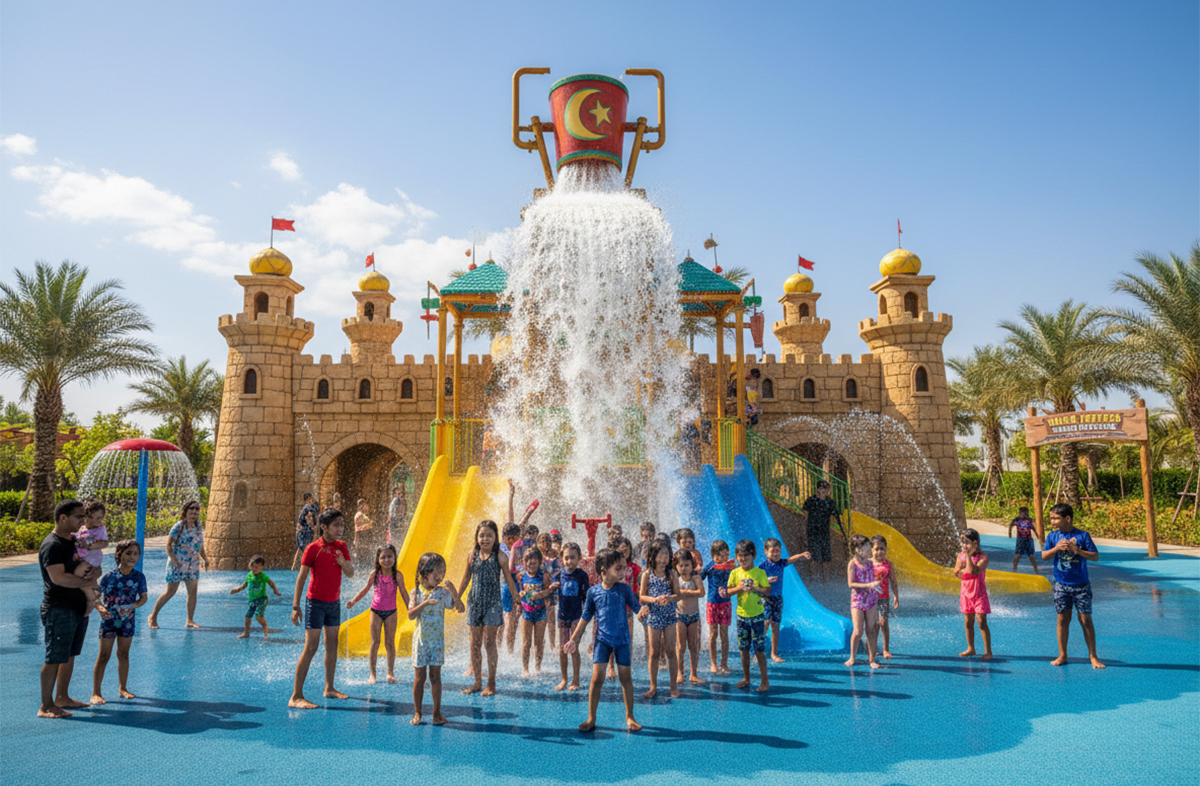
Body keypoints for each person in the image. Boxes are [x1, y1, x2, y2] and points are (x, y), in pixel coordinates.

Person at [563, 547, 649, 733]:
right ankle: (591, 718)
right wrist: (574, 639)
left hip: (622, 641)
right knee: (596, 680)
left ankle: (630, 717)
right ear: (603, 571)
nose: (623, 572)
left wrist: (642, 612)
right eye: (618, 568)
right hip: (602, 640)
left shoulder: (624, 589)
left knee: (626, 678)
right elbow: (585, 618)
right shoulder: (594, 592)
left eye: (624, 568)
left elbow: (636, 608)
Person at [37, 500, 102, 718]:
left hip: (77, 607)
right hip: (59, 608)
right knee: (54, 656)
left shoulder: (75, 541)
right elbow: (59, 578)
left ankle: (62, 697)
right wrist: (86, 585)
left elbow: (92, 564)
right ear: (63, 517)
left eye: (84, 516)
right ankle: (45, 706)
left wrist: (94, 573)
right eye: (78, 517)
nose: (83, 521)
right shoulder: (52, 545)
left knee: (69, 655)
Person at [289, 508, 354, 709]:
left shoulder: (342, 547)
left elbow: (351, 573)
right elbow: (301, 579)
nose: (340, 529)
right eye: (336, 525)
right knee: (311, 647)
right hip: (315, 603)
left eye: (342, 525)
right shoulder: (312, 548)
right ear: (324, 527)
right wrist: (295, 606)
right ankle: (296, 696)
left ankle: (329, 688)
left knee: (332, 645)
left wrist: (343, 563)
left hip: (333, 603)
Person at [457, 520, 521, 696]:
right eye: (482, 535)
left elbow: (509, 579)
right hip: (474, 603)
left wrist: (517, 599)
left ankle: (491, 683)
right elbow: (466, 578)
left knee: (489, 642)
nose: (485, 538)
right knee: (475, 643)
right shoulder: (472, 555)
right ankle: (477, 682)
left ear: (495, 538)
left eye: (489, 535)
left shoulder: (500, 556)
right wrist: (457, 597)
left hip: (493, 603)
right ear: (477, 537)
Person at [1042, 503, 1104, 669]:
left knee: (1085, 619)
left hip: (1081, 585)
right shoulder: (1052, 536)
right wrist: (1056, 548)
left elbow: (1095, 557)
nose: (1052, 521)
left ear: (1067, 518)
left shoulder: (1083, 536)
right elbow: (1044, 556)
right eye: (1051, 518)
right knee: (1062, 618)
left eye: (1056, 518)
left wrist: (1077, 550)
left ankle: (1093, 656)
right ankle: (1062, 655)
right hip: (1061, 584)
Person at [407, 552, 464, 725]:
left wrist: (453, 591)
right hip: (421, 642)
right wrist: (424, 603)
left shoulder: (442, 593)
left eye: (442, 573)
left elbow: (460, 608)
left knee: (435, 677)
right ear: (425, 573)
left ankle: (437, 714)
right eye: (436, 573)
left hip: (437, 643)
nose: (440, 577)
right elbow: (410, 615)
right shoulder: (416, 592)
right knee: (419, 678)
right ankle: (418, 712)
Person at [90, 540, 147, 705]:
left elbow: (143, 598)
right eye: (128, 553)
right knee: (103, 656)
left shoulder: (139, 577)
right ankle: (96, 692)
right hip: (109, 621)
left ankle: (123, 688)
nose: (132, 557)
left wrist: (132, 606)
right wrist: (100, 609)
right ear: (119, 555)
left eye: (136, 554)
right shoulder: (109, 577)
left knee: (123, 654)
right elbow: (96, 597)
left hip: (127, 621)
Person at [347, 543, 409, 684]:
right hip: (375, 611)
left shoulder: (397, 575)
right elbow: (365, 589)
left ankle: (390, 673)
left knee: (390, 643)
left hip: (391, 613)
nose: (387, 560)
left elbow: (404, 593)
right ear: (378, 559)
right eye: (383, 557)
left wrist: (410, 608)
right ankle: (372, 674)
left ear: (394, 557)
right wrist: (354, 600)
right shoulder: (375, 574)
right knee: (375, 643)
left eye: (390, 556)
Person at [147, 500, 207, 629]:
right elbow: (168, 545)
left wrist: (205, 559)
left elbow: (199, 545)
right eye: (192, 509)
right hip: (178, 564)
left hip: (192, 565)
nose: (194, 512)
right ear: (185, 511)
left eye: (197, 509)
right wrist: (174, 560)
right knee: (170, 592)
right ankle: (152, 616)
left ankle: (190, 620)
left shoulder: (198, 526)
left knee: (193, 593)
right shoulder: (178, 526)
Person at [726, 539, 771, 691]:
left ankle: (764, 681)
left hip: (757, 617)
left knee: (759, 650)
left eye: (746, 555)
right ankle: (746, 678)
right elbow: (728, 592)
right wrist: (739, 588)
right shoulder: (735, 573)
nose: (743, 559)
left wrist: (755, 588)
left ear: (754, 555)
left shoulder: (760, 573)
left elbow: (767, 590)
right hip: (741, 617)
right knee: (743, 649)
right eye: (739, 556)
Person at [758, 537, 811, 663]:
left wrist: (802, 555)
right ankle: (757, 651)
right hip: (766, 598)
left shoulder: (781, 563)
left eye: (778, 551)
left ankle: (774, 654)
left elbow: (791, 559)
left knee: (775, 626)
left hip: (778, 599)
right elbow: (756, 582)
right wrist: (766, 581)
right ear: (766, 552)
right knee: (765, 624)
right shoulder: (762, 566)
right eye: (772, 551)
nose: (775, 554)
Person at [639, 540, 680, 699]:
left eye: (666, 555)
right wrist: (654, 600)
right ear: (653, 556)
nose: (664, 559)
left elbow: (678, 594)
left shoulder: (672, 573)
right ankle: (653, 686)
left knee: (671, 650)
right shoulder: (647, 574)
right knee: (654, 652)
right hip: (654, 616)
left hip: (670, 615)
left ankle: (673, 686)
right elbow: (642, 596)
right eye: (660, 555)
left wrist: (669, 598)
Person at [554, 542, 589, 691]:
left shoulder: (582, 575)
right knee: (562, 648)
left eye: (572, 558)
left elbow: (586, 597)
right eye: (566, 558)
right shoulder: (558, 574)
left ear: (579, 558)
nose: (569, 561)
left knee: (573, 648)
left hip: (576, 616)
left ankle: (575, 680)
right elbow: (552, 593)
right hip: (562, 615)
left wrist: (586, 618)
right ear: (562, 558)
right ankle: (564, 679)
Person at [953, 528, 992, 661]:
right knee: (968, 622)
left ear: (975, 543)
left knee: (981, 622)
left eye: (967, 542)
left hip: (979, 593)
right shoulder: (960, 556)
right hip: (965, 593)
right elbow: (957, 572)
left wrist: (968, 558)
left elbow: (975, 571)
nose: (964, 545)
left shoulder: (983, 557)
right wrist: (962, 568)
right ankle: (971, 648)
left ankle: (988, 651)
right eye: (962, 541)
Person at [844, 534, 882, 669]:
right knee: (858, 630)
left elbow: (871, 578)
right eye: (867, 547)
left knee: (871, 629)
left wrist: (876, 585)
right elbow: (850, 584)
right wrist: (869, 585)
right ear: (857, 549)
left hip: (871, 599)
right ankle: (852, 657)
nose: (870, 549)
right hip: (858, 600)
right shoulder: (852, 564)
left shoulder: (871, 563)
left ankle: (872, 659)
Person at [517, 547, 553, 677]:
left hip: (540, 612)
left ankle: (537, 667)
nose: (531, 564)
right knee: (526, 641)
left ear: (539, 562)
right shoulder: (521, 576)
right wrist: (520, 599)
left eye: (534, 561)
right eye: (528, 561)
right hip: (526, 613)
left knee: (539, 642)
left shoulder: (544, 577)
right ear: (524, 562)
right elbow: (518, 594)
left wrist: (541, 594)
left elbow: (548, 593)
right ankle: (525, 669)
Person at [702, 539, 734, 675]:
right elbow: (699, 577)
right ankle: (713, 663)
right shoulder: (710, 567)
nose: (722, 558)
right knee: (713, 634)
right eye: (719, 555)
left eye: (725, 555)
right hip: (712, 604)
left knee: (724, 635)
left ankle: (724, 664)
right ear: (713, 556)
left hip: (725, 604)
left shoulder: (731, 566)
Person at [229, 555, 282, 639]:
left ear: (262, 567)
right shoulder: (249, 576)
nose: (255, 569)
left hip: (262, 599)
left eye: (257, 567)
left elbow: (271, 583)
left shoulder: (263, 576)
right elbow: (244, 585)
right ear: (250, 566)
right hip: (252, 600)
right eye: (253, 567)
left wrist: (276, 591)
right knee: (248, 616)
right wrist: (236, 589)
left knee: (259, 617)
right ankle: (246, 633)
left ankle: (265, 630)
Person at [674, 549, 706, 685]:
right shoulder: (675, 578)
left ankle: (693, 674)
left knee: (693, 645)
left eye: (687, 565)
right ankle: (680, 673)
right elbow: (674, 594)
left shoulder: (696, 578)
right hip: (680, 616)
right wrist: (682, 593)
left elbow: (701, 593)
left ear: (692, 565)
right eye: (681, 565)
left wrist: (686, 591)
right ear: (676, 566)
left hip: (693, 616)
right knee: (680, 646)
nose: (684, 568)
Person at [74, 501, 109, 618]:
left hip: (92, 559)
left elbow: (104, 543)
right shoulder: (82, 528)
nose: (100, 521)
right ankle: (99, 601)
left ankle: (91, 601)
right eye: (97, 518)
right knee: (92, 582)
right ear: (87, 517)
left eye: (101, 518)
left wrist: (89, 545)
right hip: (84, 558)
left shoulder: (100, 529)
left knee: (77, 575)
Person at [802, 481, 842, 582]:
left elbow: (836, 518)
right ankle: (813, 579)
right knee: (813, 557)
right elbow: (804, 518)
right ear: (819, 489)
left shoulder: (829, 502)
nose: (826, 491)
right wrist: (804, 532)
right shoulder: (810, 501)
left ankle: (826, 580)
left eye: (827, 489)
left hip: (825, 533)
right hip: (812, 532)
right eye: (824, 489)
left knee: (827, 557)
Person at [871, 536, 899, 658]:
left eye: (882, 549)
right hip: (870, 599)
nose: (879, 552)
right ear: (871, 549)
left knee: (883, 622)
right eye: (877, 549)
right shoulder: (868, 564)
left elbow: (893, 581)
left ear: (886, 550)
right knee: (874, 624)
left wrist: (896, 596)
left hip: (884, 598)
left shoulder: (888, 564)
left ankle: (885, 649)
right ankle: (873, 648)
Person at [1008, 506, 1041, 574]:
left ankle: (1036, 570)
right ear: (1020, 513)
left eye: (1026, 513)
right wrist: (1010, 533)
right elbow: (1011, 525)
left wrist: (1037, 535)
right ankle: (1014, 569)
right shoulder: (1017, 520)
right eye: (1023, 513)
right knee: (1018, 555)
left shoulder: (1029, 520)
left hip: (1028, 539)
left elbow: (1033, 528)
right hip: (1020, 539)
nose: (1025, 515)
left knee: (1031, 555)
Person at [292, 493, 319, 571]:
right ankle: (307, 566)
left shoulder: (305, 508)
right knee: (307, 549)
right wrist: (314, 528)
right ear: (307, 499)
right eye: (310, 499)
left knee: (300, 548)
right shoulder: (308, 508)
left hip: (300, 532)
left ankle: (294, 566)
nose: (311, 500)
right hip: (304, 532)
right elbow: (309, 519)